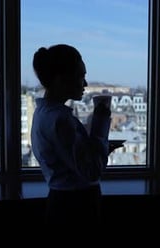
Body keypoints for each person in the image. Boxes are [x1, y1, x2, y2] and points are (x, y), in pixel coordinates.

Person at [31, 44, 114, 230]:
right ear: (61, 79)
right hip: (77, 207)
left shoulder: (43, 113)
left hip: (62, 202)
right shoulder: (60, 120)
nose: (85, 84)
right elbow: (92, 171)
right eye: (81, 76)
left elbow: (69, 157)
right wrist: (100, 123)